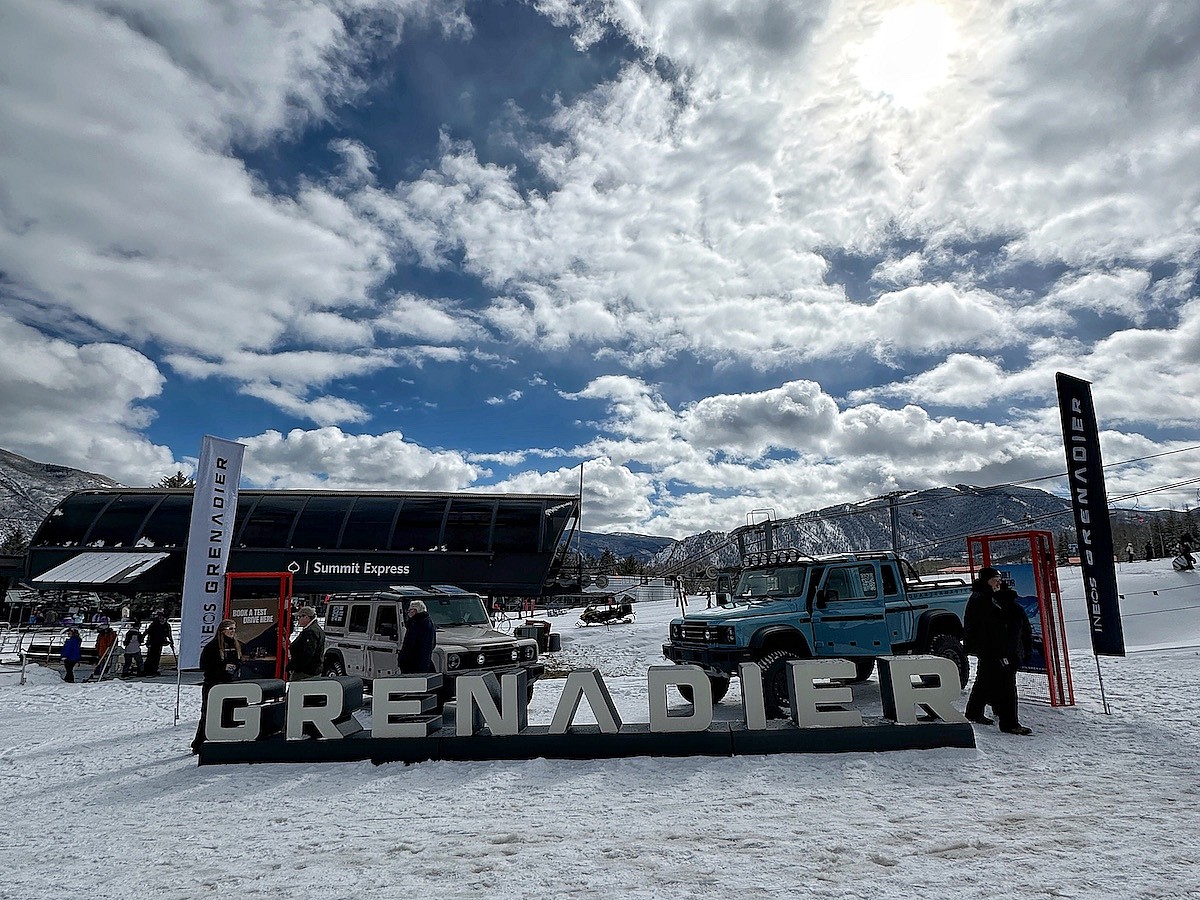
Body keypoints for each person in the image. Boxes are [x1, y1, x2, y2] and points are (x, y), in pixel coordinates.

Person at [963, 567, 1033, 736]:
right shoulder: (985, 599)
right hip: (995, 649)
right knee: (1007, 686)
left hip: (991, 649)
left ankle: (974, 712)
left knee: (985, 680)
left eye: (999, 579)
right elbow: (992, 627)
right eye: (995, 579)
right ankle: (1009, 723)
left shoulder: (985, 596)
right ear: (987, 580)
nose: (999, 582)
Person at [192, 619, 244, 754]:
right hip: (213, 684)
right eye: (230, 629)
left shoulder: (236, 644)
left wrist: (236, 666)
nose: (233, 632)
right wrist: (222, 667)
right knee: (208, 713)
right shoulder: (212, 646)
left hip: (229, 683)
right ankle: (198, 743)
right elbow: (204, 665)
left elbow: (239, 661)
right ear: (222, 631)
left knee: (229, 711)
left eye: (234, 629)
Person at [398, 600, 436, 674]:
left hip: (413, 664)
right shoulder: (429, 622)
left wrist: (403, 660)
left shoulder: (416, 623)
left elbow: (410, 644)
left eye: (410, 610)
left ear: (415, 610)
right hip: (424, 662)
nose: (408, 613)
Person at [287, 606, 325, 681]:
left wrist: (295, 667)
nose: (298, 620)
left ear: (306, 617)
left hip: (305, 672)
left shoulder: (310, 632)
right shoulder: (314, 629)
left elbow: (307, 654)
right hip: (310, 670)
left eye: (299, 617)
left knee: (296, 690)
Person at [142, 612, 175, 677]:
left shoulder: (166, 625)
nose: (162, 619)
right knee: (151, 656)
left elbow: (169, 634)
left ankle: (154, 669)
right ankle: (147, 669)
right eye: (160, 618)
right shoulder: (154, 624)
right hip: (152, 642)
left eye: (163, 618)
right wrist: (142, 638)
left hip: (160, 643)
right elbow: (147, 631)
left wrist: (171, 641)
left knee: (157, 657)